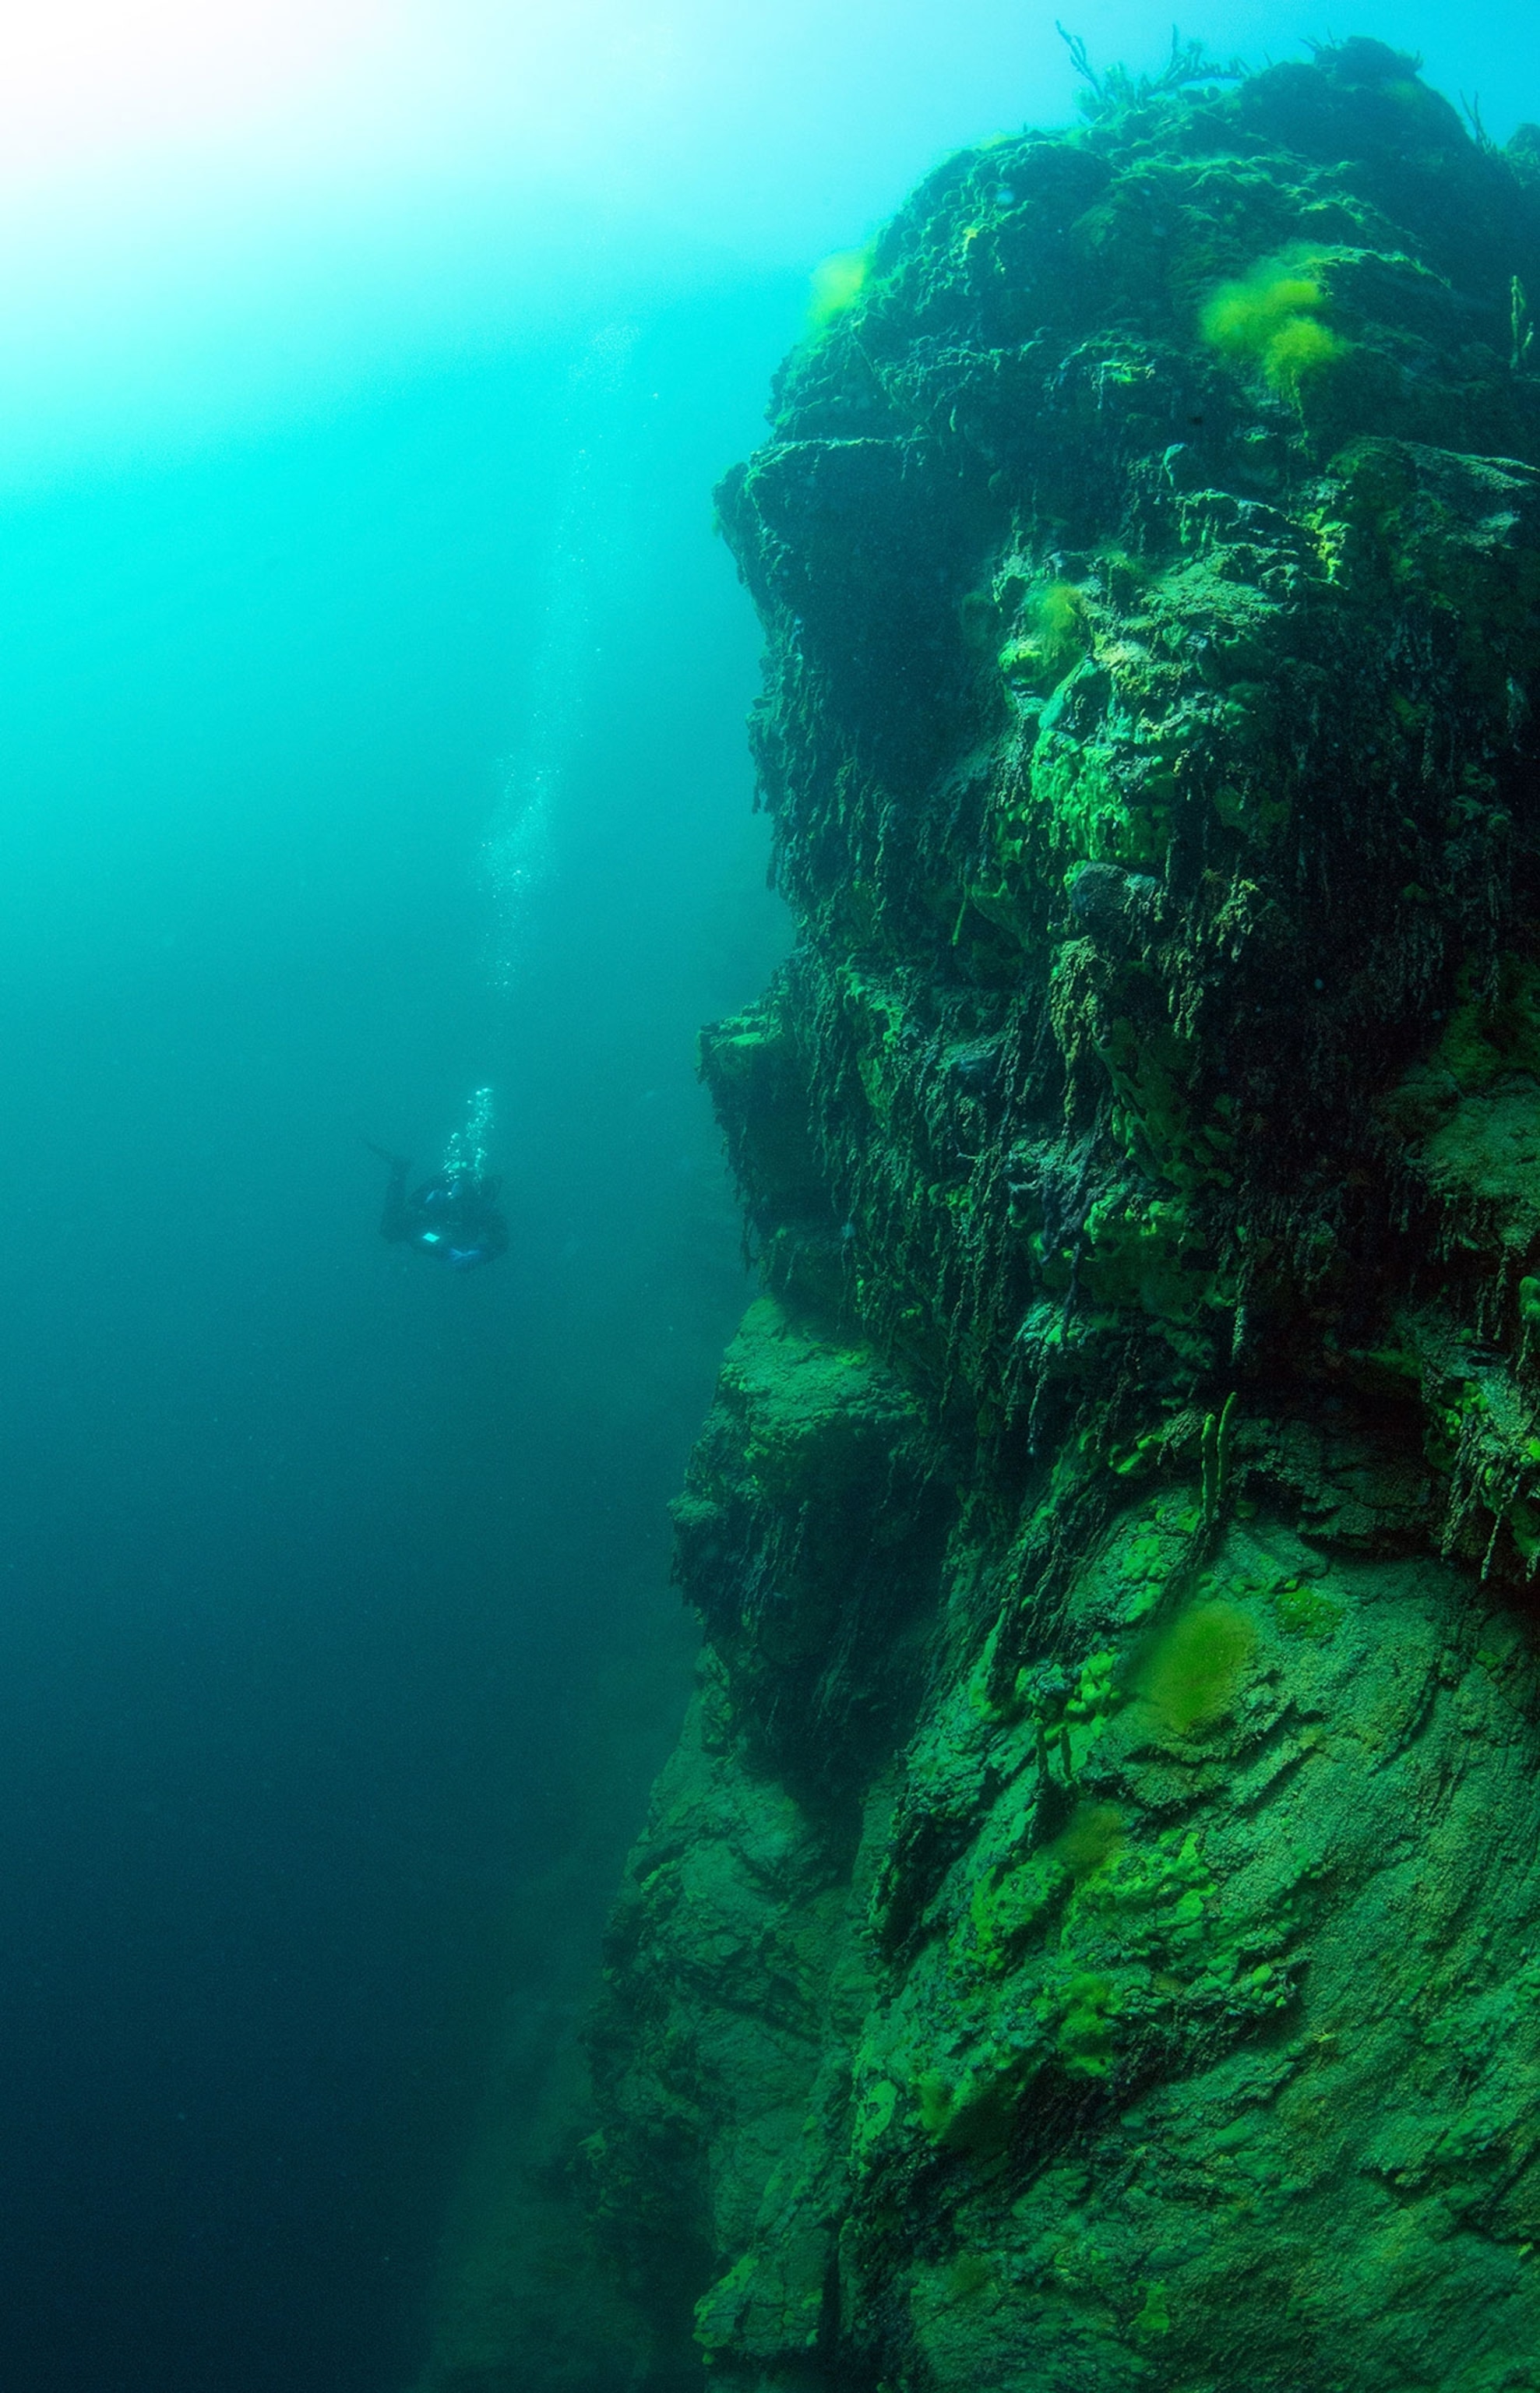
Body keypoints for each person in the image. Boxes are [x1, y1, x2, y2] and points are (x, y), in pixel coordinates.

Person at [368, 1143, 509, 1271]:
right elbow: (412, 1225)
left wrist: (481, 1254)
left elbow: (501, 1240)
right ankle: (399, 1169)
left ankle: (400, 1168)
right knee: (390, 1229)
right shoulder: (441, 1191)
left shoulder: (485, 1207)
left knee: (455, 1246)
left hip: (451, 1237)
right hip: (431, 1229)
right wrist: (446, 1250)